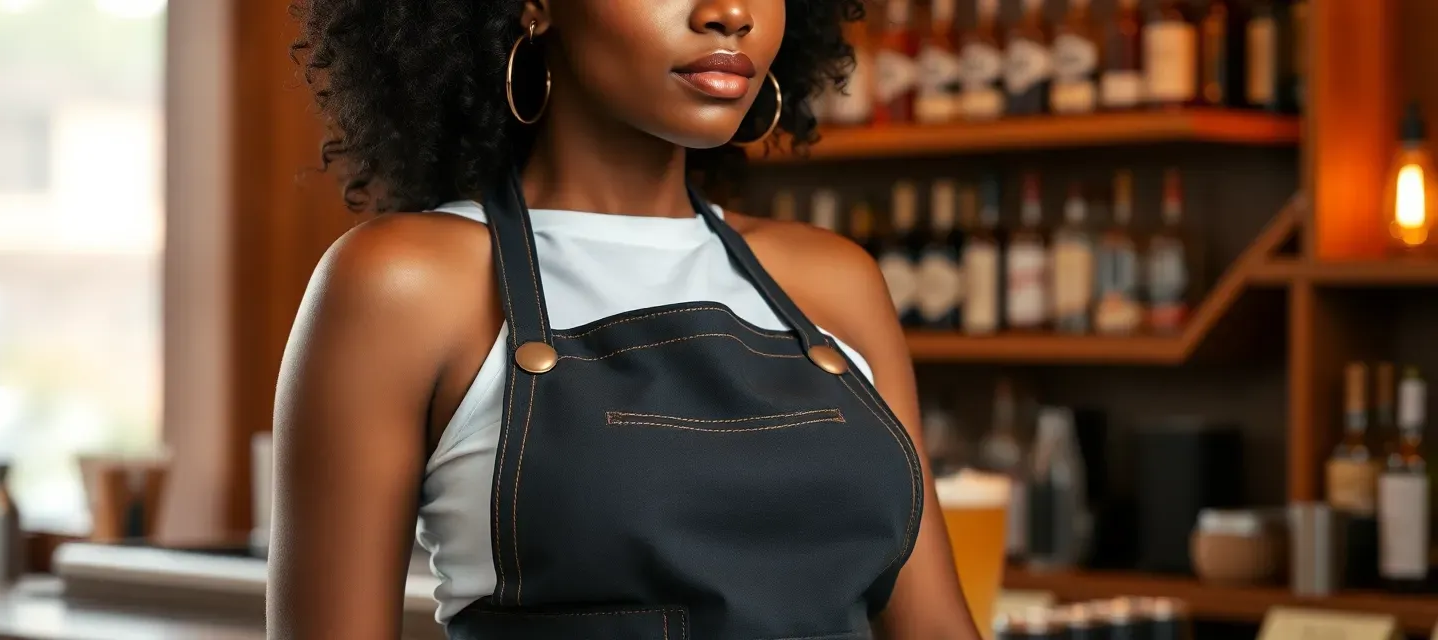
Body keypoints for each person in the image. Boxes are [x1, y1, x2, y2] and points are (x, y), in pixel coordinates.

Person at [267, 0, 980, 638]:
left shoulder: (834, 281)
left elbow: (935, 626)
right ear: (536, 6)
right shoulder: (404, 284)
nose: (731, 12)